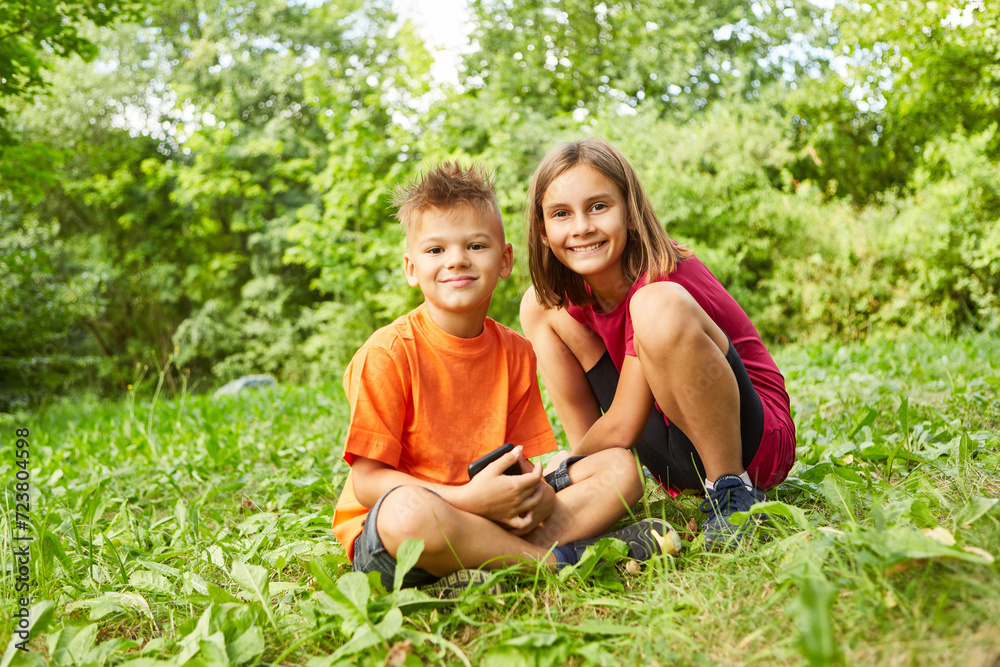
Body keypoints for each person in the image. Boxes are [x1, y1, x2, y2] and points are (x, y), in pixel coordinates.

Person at [331, 162, 680, 593]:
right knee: (406, 513)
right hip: (398, 535)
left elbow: (517, 462)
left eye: (476, 245)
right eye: (436, 250)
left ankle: (487, 569)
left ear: (504, 259)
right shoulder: (387, 353)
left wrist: (530, 497)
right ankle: (557, 561)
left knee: (619, 467)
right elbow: (368, 483)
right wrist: (466, 500)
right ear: (410, 268)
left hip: (490, 515)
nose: (456, 259)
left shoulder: (515, 351)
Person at [519, 138, 796, 549]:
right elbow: (612, 428)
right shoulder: (573, 295)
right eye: (561, 214)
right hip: (672, 456)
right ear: (543, 231)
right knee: (538, 303)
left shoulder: (664, 275)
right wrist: (579, 465)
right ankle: (594, 480)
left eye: (598, 206)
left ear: (630, 213)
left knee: (655, 306)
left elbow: (625, 422)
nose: (581, 227)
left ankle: (731, 492)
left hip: (749, 439)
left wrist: (557, 471)